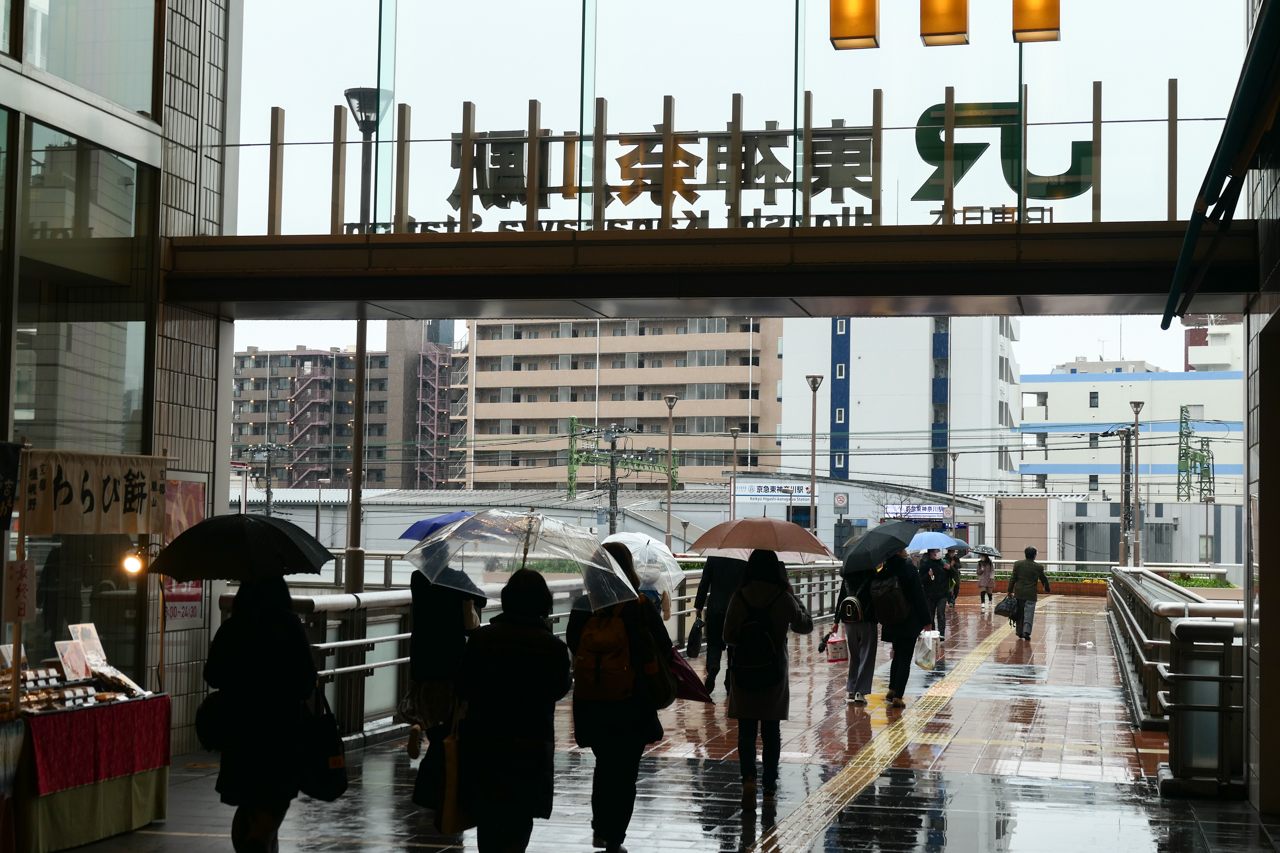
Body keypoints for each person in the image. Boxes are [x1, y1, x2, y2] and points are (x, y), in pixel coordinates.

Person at [567, 542, 672, 853]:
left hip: (593, 698)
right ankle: (614, 837)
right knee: (625, 772)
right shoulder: (639, 605)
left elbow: (576, 646)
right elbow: (664, 647)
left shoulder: (583, 605)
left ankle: (601, 826)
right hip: (632, 701)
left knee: (604, 764)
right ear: (628, 569)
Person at [456, 569, 571, 853]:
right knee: (520, 817)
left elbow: (462, 685)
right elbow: (559, 689)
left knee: (489, 816)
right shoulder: (553, 647)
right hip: (530, 743)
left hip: (485, 741)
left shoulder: (483, 639)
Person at [205, 577, 317, 853]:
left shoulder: (233, 627)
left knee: (247, 802)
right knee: (272, 801)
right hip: (280, 731)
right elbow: (306, 681)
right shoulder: (289, 626)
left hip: (238, 729)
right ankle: (257, 845)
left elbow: (212, 675)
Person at [723, 550, 813, 805]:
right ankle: (770, 784)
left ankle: (748, 779)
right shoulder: (783, 597)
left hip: (744, 671)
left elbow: (727, 637)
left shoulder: (738, 597)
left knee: (747, 730)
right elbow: (805, 626)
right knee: (771, 731)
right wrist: (796, 601)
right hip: (774, 672)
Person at [404, 567, 485, 765]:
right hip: (450, 651)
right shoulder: (455, 577)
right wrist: (462, 580)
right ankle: (438, 746)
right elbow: (481, 599)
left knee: (423, 693)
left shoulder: (418, 577)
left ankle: (419, 724)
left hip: (422, 650)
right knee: (448, 704)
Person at [877, 549, 932, 708]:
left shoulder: (885, 569)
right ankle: (898, 696)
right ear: (900, 551)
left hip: (892, 619)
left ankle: (892, 689)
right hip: (909, 620)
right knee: (905, 658)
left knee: (897, 654)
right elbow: (918, 595)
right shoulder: (908, 568)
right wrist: (926, 621)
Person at [693, 555, 747, 693]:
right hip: (736, 608)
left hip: (715, 607)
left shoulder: (714, 556)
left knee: (714, 643)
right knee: (733, 646)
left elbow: (705, 581)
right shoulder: (743, 557)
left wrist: (699, 605)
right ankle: (730, 680)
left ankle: (713, 667)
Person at [839, 559, 878, 705]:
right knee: (866, 656)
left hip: (849, 621)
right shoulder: (871, 575)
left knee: (855, 656)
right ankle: (860, 692)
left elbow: (841, 599)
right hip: (866, 621)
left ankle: (851, 689)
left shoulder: (847, 576)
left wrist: (836, 622)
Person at [1008, 546, 1051, 641]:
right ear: (1034, 556)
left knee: (1020, 612)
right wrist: (1047, 588)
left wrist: (1010, 590)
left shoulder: (1018, 564)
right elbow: (1044, 579)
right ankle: (1026, 631)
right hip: (1031, 594)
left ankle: (1019, 632)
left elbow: (1013, 578)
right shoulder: (1038, 567)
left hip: (1019, 593)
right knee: (1029, 613)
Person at [917, 549, 959, 641]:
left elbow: (955, 575)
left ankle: (941, 634)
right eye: (937, 551)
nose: (939, 552)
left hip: (942, 593)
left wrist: (950, 568)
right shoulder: (925, 565)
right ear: (932, 553)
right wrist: (928, 575)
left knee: (941, 614)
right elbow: (920, 580)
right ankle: (932, 633)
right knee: (930, 615)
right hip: (929, 594)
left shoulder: (944, 563)